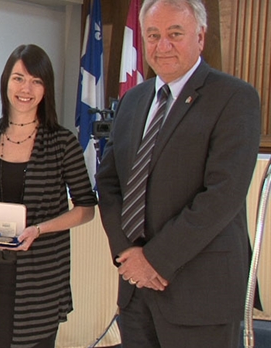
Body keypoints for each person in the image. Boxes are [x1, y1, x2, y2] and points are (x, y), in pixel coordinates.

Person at [95, 0, 261, 347]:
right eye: (153, 35)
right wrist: (129, 256)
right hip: (136, 292)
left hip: (200, 294)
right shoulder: (132, 100)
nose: (162, 45)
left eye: (175, 34)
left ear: (200, 36)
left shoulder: (234, 98)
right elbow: (109, 183)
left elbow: (223, 195)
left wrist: (154, 260)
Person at [0, 44, 97, 348]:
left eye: (36, 81)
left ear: (46, 88)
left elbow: (86, 208)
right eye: (19, 78)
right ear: (6, 81)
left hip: (39, 276)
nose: (26, 88)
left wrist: (40, 229)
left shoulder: (63, 143)